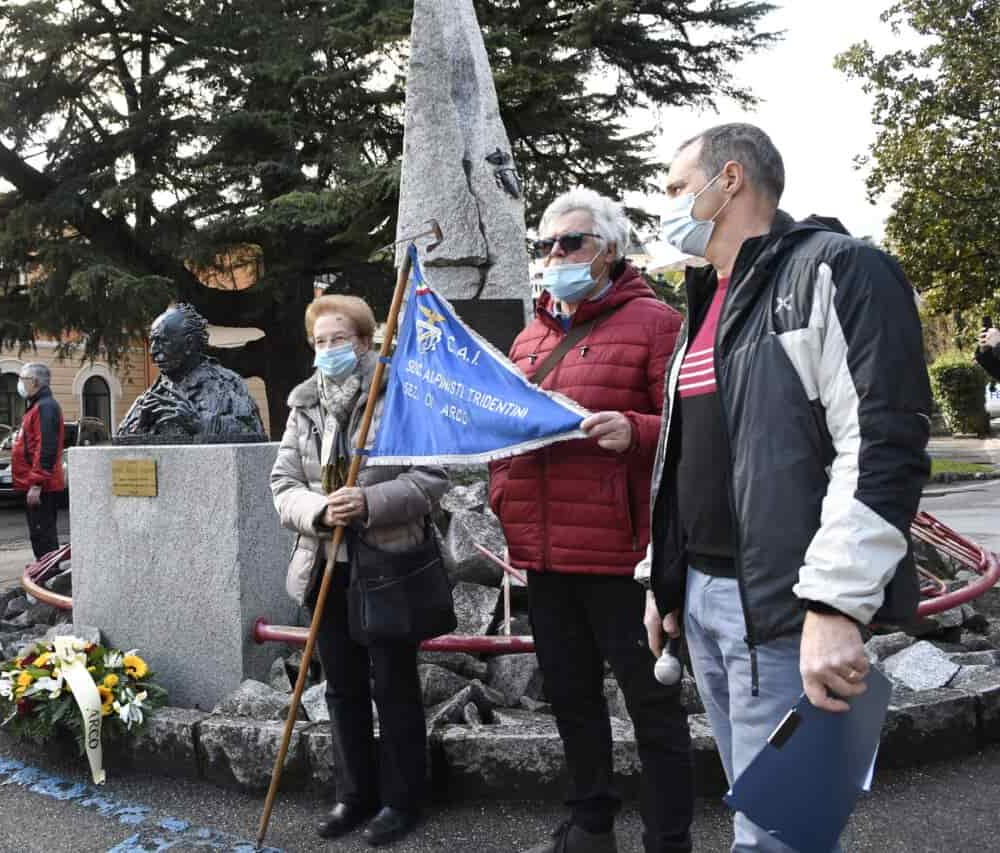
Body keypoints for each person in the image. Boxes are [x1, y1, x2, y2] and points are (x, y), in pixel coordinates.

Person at [639, 123, 931, 852]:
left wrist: (835, 603)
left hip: (781, 608)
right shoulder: (705, 301)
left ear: (729, 180)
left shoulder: (840, 270)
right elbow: (690, 459)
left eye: (677, 187)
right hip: (706, 601)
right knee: (767, 814)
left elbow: (882, 443)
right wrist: (665, 582)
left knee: (777, 833)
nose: (668, 204)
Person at [489, 188, 692, 853]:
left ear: (609, 250)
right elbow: (502, 425)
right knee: (573, 702)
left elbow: (698, 431)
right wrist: (500, 492)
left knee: (653, 710)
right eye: (546, 243)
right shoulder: (529, 334)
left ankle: (667, 838)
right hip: (545, 556)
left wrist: (634, 430)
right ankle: (589, 825)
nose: (555, 254)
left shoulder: (658, 323)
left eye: (570, 242)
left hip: (621, 557)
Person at [270, 295, 448, 847]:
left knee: (394, 686)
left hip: (385, 565)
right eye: (320, 341)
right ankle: (354, 793)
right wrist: (320, 510)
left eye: (340, 340)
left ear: (366, 342)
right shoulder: (304, 404)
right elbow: (283, 484)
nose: (329, 350)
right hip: (326, 565)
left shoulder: (397, 396)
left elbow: (432, 476)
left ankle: (402, 799)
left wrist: (369, 504)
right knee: (342, 687)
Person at [116, 303, 266, 440]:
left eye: (163, 341)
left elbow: (255, 434)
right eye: (153, 341)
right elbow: (121, 441)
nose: (153, 351)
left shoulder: (227, 384)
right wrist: (141, 425)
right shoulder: (153, 394)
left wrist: (199, 423)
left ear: (189, 344)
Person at [12, 362, 65, 559]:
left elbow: (46, 447)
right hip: (39, 484)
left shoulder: (45, 407)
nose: (20, 384)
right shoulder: (37, 407)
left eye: (23, 380)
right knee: (39, 535)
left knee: (44, 536)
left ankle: (47, 578)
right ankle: (44, 574)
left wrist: (36, 483)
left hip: (43, 486)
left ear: (34, 382)